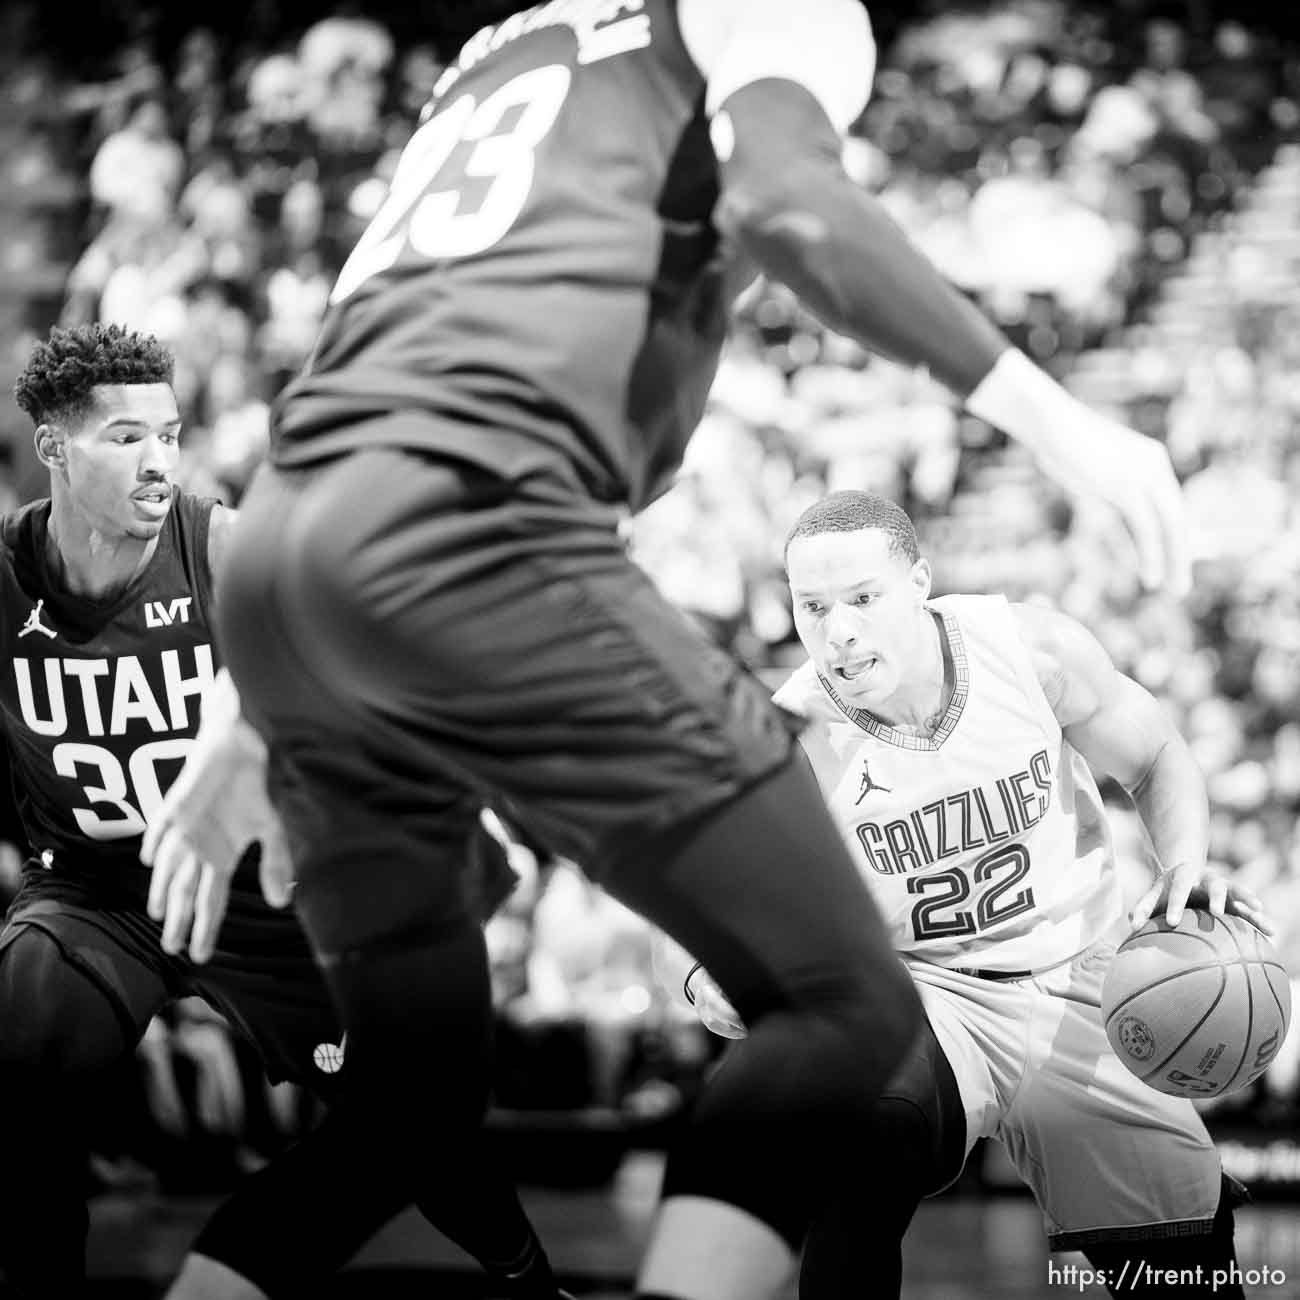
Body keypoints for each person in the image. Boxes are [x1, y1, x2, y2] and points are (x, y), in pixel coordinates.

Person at [145, 3, 1192, 1297]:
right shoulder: (771, 13)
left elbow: (367, 380)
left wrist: (252, 712)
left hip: (287, 558)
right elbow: (791, 210)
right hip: (480, 533)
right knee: (844, 1002)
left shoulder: (501, 53)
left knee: (407, 1110)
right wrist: (1055, 420)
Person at [0, 323, 570, 1300]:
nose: (158, 461)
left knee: (412, 1118)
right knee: (25, 1041)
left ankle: (532, 1282)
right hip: (96, 895)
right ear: (52, 448)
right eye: (125, 437)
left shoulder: (219, 546)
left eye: (169, 434)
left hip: (260, 883)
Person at [665, 489, 1268, 1299]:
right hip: (930, 994)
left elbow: (1156, 756)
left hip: (1086, 974)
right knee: (851, 1131)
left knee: (1187, 1266)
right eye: (813, 607)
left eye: (863, 599)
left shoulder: (1030, 650)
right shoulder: (790, 742)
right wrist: (712, 983)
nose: (838, 630)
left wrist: (1184, 860)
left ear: (918, 583)